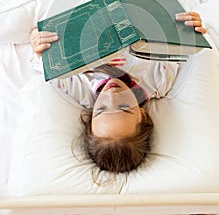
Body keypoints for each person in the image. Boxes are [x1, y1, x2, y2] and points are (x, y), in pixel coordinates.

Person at [30, 11, 206, 173]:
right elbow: (179, 41)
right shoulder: (158, 80)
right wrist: (190, 28)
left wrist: (38, 42)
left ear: (90, 117)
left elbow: (44, 64)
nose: (112, 96)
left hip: (82, 12)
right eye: (123, 107)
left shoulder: (81, 92)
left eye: (101, 109)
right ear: (143, 115)